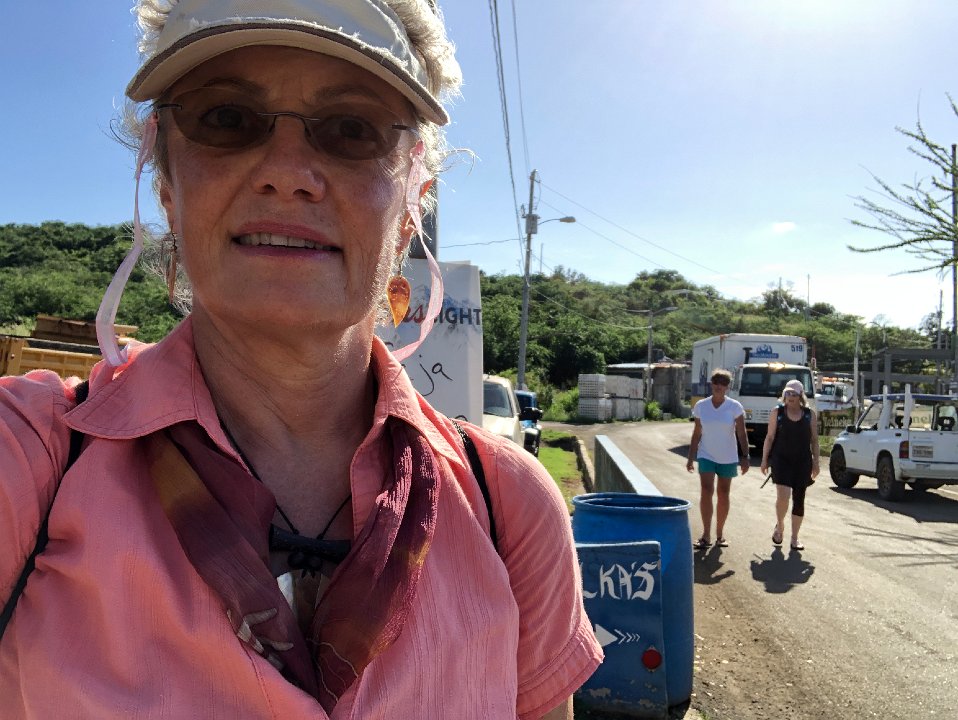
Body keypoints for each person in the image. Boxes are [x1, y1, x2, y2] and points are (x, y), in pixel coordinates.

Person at [0, 2, 602, 718]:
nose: (287, 174)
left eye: (352, 129)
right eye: (226, 118)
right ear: (167, 188)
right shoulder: (32, 460)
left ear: (411, 206)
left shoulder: (510, 508)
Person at [686, 369, 750, 549]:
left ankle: (720, 534)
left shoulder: (734, 407)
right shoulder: (701, 406)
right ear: (711, 384)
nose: (719, 386)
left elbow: (741, 433)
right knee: (706, 491)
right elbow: (697, 433)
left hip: (728, 456)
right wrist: (691, 457)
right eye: (716, 382)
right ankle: (706, 535)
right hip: (706, 454)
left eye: (723, 383)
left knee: (723, 493)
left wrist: (745, 456)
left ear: (727, 387)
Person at [760, 378, 819, 551]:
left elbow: (815, 440)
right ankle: (780, 525)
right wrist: (764, 459)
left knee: (799, 500)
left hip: (802, 462)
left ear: (801, 396)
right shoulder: (777, 412)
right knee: (783, 496)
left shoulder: (809, 414)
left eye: (794, 393)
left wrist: (816, 462)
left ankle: (794, 538)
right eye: (788, 393)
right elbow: (769, 437)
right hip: (781, 461)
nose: (790, 396)